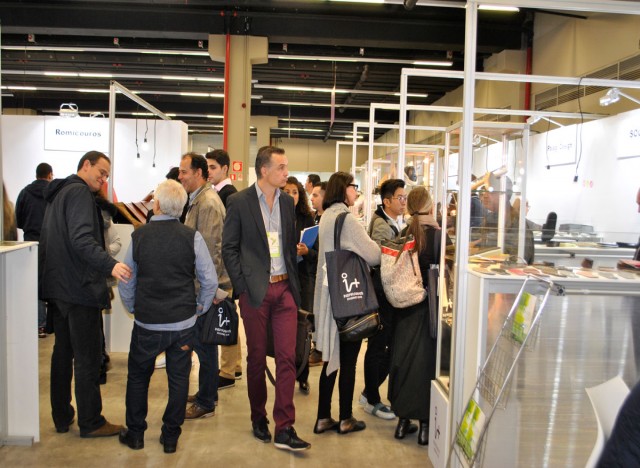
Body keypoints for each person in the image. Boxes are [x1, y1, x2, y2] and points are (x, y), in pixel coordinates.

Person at [117, 179, 217, 454]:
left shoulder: (139, 236)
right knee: (179, 379)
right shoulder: (192, 237)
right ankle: (171, 437)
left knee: (138, 377)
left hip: (147, 322)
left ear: (157, 204)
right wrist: (199, 307)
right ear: (182, 207)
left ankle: (136, 434)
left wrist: (133, 306)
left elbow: (126, 278)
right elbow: (209, 280)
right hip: (182, 323)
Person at [222, 146, 310, 451]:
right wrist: (242, 286)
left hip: (285, 290)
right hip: (255, 292)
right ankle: (258, 417)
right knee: (257, 358)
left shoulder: (286, 202)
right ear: (264, 170)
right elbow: (229, 247)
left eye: (286, 167)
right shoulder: (239, 202)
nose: (286, 173)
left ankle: (284, 426)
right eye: (281, 167)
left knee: (287, 357)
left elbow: (286, 245)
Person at [39, 150, 131, 438]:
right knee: (88, 357)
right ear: (86, 165)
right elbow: (81, 240)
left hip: (60, 287)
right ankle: (92, 421)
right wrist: (110, 264)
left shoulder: (60, 193)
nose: (104, 179)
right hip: (79, 288)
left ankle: (62, 415)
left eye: (107, 176)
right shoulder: (78, 193)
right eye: (101, 172)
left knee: (62, 353)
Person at [313, 171, 381, 436]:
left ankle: (322, 417)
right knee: (349, 361)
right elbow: (374, 255)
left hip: (329, 296)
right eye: (354, 186)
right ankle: (345, 418)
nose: (356, 191)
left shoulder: (326, 216)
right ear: (344, 189)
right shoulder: (348, 219)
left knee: (331, 357)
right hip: (347, 298)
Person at [389, 186, 447, 445]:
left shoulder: (404, 234)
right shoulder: (438, 236)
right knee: (426, 364)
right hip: (429, 307)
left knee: (403, 361)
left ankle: (402, 422)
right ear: (430, 206)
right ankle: (425, 426)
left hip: (404, 307)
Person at [178, 152, 232, 418]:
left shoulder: (208, 203)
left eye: (184, 172)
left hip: (205, 288)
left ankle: (206, 401)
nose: (180, 177)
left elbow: (210, 252)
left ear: (198, 173)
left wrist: (206, 292)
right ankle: (206, 392)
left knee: (205, 345)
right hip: (202, 286)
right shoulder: (198, 200)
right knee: (204, 344)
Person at [361, 178, 407, 421]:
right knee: (378, 346)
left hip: (387, 292)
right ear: (387, 201)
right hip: (382, 293)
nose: (403, 202)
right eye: (400, 198)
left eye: (405, 197)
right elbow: (383, 260)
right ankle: (372, 399)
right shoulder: (381, 225)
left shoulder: (392, 221)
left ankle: (369, 393)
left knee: (384, 346)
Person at [205, 149, 243, 386]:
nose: (209, 172)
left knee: (224, 317)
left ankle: (227, 371)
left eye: (213, 167)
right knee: (228, 315)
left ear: (225, 169)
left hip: (225, 268)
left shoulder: (227, 195)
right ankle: (235, 366)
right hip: (227, 267)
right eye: (207, 167)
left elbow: (224, 239)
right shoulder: (219, 193)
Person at [283, 176, 317, 394]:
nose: (291, 196)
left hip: (303, 279)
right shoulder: (275, 215)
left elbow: (317, 252)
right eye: (286, 192)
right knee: (284, 329)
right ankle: (286, 374)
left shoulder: (307, 218)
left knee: (303, 329)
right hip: (283, 279)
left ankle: (303, 375)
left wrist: (306, 251)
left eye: (295, 192)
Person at [95, 188, 122, 384]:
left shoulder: (103, 215)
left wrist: (103, 253)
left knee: (95, 324)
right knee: (95, 324)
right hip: (93, 278)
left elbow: (116, 242)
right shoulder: (100, 214)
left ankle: (100, 363)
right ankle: (100, 361)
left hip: (96, 278)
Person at [479, 173, 534, 264]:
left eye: (491, 192)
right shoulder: (490, 218)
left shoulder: (518, 223)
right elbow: (482, 247)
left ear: (504, 195)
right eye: (484, 191)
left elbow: (519, 260)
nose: (485, 195)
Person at [307, 181, 327, 367]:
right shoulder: (312, 218)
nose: (311, 198)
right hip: (309, 271)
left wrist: (309, 252)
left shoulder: (327, 220)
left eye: (315, 195)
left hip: (321, 273)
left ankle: (320, 349)